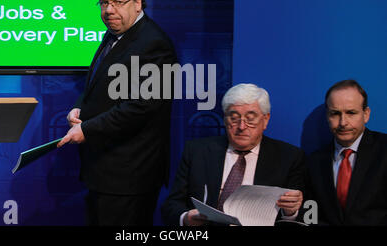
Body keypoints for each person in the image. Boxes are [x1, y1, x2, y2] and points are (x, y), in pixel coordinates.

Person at [57, 0, 177, 225]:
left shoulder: (155, 44)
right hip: (104, 172)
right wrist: (79, 109)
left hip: (130, 177)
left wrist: (87, 129)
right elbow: (99, 85)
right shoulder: (114, 34)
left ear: (138, 2)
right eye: (104, 3)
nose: (109, 10)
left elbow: (142, 106)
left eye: (118, 2)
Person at [161, 83, 305, 226]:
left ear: (265, 120)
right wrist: (186, 217)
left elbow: (299, 216)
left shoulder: (288, 157)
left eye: (250, 118)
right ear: (224, 119)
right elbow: (171, 206)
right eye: (234, 118)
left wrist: (290, 212)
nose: (241, 127)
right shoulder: (197, 151)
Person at [305, 79, 387, 225]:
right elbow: (310, 215)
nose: (343, 122)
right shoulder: (314, 162)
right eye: (335, 113)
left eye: (351, 113)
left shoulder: (383, 149)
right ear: (327, 116)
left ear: (366, 114)